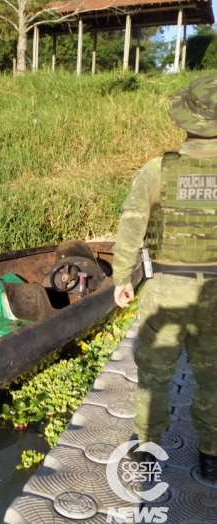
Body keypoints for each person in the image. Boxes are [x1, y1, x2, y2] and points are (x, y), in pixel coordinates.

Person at [112, 75, 217, 483]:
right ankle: (211, 459)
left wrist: (123, 277)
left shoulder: (159, 169)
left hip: (166, 288)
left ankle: (148, 454)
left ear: (187, 118)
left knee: (154, 376)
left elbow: (131, 225)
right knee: (214, 377)